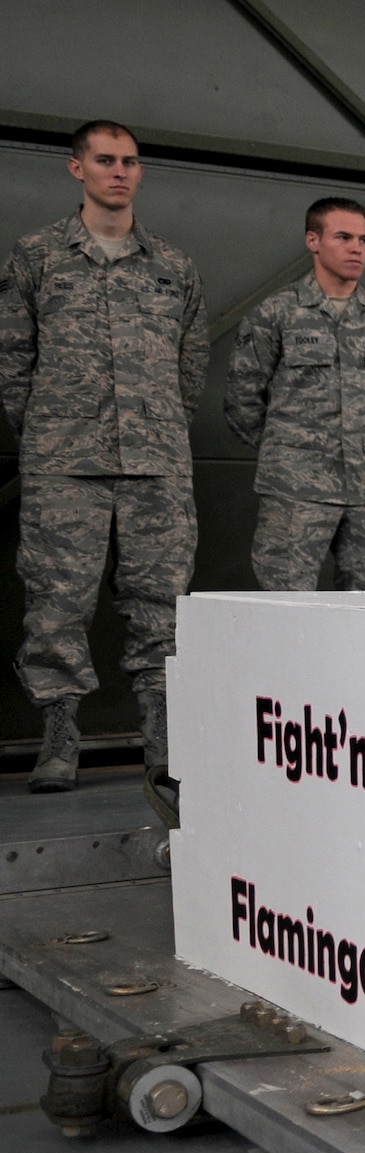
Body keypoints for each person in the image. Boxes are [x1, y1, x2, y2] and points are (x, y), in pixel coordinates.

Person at [0, 121, 207, 791]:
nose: (119, 171)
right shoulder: (35, 258)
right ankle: (59, 737)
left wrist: (164, 427)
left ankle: (163, 740)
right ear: (76, 169)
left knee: (163, 606)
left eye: (130, 162)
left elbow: (191, 364)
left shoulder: (173, 267)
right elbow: (12, 361)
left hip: (157, 463)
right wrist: (48, 433)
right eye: (105, 160)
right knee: (56, 604)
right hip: (64, 462)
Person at [225, 197, 365, 593]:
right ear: (313, 240)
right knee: (287, 609)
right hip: (295, 492)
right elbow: (242, 399)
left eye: (363, 239)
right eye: (343, 237)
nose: (356, 247)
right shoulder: (276, 314)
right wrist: (288, 452)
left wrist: (363, 446)